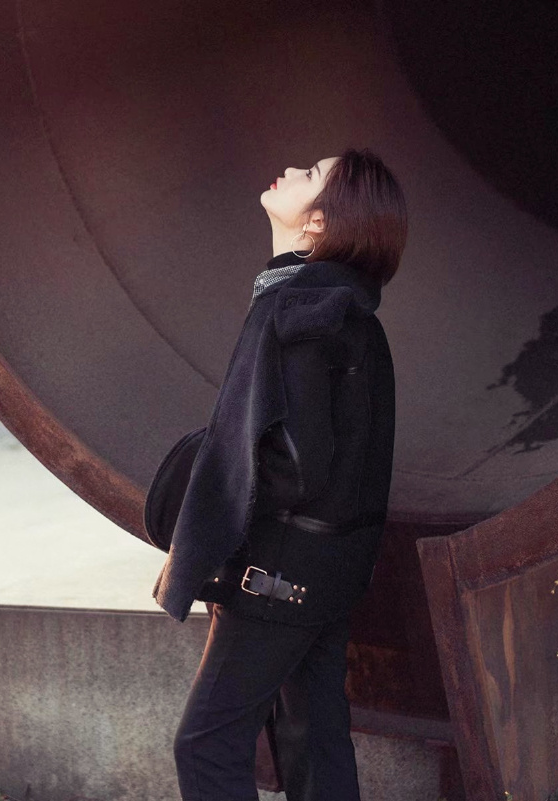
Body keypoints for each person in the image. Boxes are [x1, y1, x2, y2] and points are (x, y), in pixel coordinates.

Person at [151, 148, 407, 801]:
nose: (290, 172)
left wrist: (214, 486)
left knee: (205, 746)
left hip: (278, 576)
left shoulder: (297, 308)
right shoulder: (352, 313)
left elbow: (293, 462)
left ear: (318, 222)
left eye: (311, 174)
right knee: (314, 745)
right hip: (326, 576)